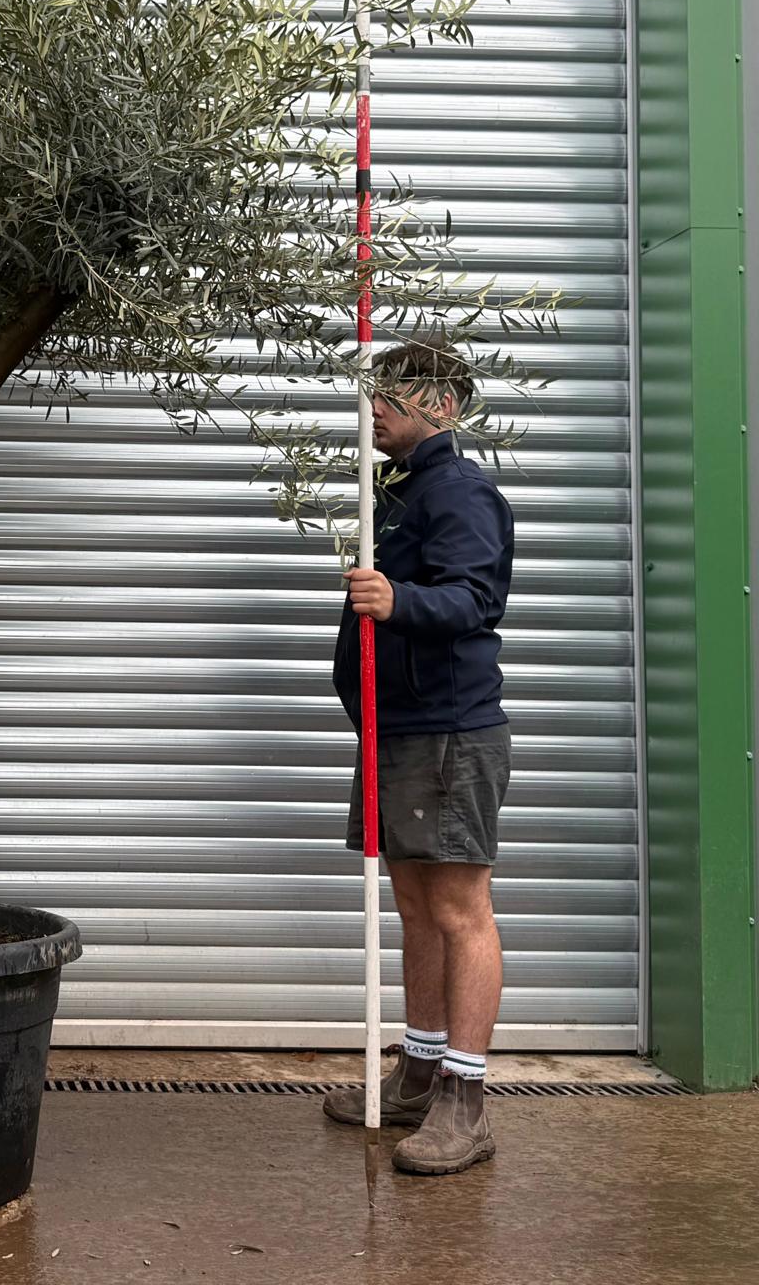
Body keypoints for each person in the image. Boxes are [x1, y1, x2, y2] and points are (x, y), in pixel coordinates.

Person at [321, 332, 515, 1176]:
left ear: (440, 404)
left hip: (447, 731)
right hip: (396, 728)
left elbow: (475, 599)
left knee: (458, 909)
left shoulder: (461, 491)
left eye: (388, 397)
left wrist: (398, 598)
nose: (372, 410)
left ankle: (464, 1106)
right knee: (413, 906)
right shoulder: (391, 488)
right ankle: (419, 1073)